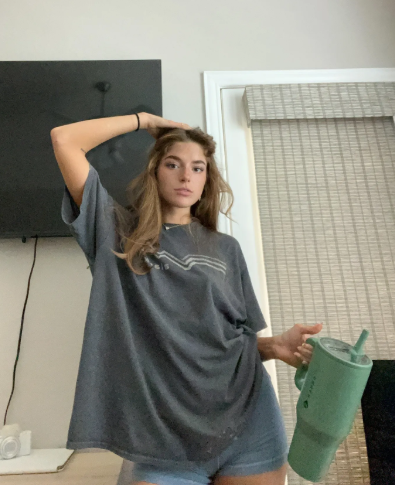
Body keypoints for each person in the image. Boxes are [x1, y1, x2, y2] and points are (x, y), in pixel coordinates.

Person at [51, 112, 323, 485]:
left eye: (197, 168)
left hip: (248, 423)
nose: (185, 176)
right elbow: (64, 140)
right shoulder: (116, 232)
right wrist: (143, 120)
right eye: (173, 164)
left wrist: (274, 346)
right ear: (154, 171)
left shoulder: (226, 249)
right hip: (163, 436)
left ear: (206, 180)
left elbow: (223, 341)